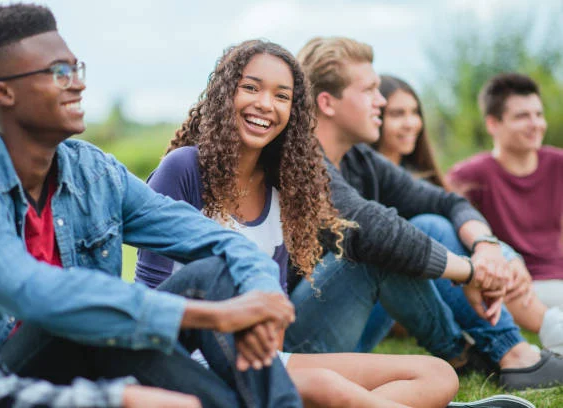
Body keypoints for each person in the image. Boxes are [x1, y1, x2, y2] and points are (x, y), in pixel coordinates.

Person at [0, 4, 302, 407]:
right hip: (10, 381)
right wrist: (208, 316)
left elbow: (215, 239)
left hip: (101, 349)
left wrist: (258, 300)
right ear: (3, 92)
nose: (78, 86)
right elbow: (37, 294)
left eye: (76, 69)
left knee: (211, 274)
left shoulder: (95, 173)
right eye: (59, 73)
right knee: (86, 318)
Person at [136, 39, 463, 408]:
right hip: (190, 362)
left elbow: (274, 320)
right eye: (251, 88)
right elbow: (153, 298)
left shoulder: (282, 187)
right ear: (224, 93)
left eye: (282, 96)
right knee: (326, 386)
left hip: (263, 360)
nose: (265, 104)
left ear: (293, 110)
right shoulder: (183, 170)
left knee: (437, 375)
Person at [284, 36, 563, 392]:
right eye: (370, 90)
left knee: (429, 223)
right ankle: (462, 354)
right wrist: (471, 272)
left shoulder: (360, 159)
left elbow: (447, 203)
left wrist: (489, 247)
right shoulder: (300, 161)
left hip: (347, 331)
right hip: (295, 350)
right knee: (371, 250)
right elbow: (367, 227)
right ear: (327, 102)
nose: (380, 101)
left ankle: (513, 353)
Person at [368, 75, 563, 355]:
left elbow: (455, 213)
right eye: (398, 114)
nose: (411, 122)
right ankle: (542, 334)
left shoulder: (421, 182)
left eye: (414, 113)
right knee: (431, 226)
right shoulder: (467, 174)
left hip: (451, 283)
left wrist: (503, 255)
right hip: (391, 294)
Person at [0, 194, 199, 408]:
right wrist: (118, 398)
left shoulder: (96, 170)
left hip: (79, 362)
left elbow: (209, 238)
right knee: (87, 312)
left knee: (207, 276)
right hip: (19, 366)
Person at [448, 72, 563, 354]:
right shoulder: (468, 175)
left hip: (557, 278)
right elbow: (450, 229)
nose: (535, 124)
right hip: (514, 284)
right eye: (522, 116)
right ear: (493, 124)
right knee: (493, 286)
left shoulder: (558, 163)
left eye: (538, 114)